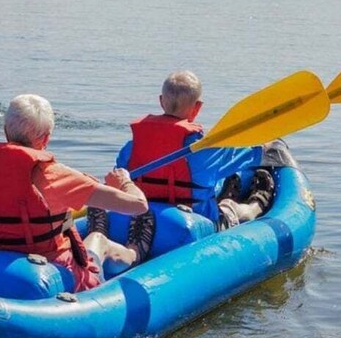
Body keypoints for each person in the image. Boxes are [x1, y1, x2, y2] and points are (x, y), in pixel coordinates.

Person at [0, 94, 150, 292]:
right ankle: (133, 254)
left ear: (6, 131)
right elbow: (139, 206)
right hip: (55, 267)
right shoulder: (57, 176)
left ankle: (105, 228)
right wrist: (124, 181)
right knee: (98, 239)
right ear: (45, 139)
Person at [88, 70, 274, 239]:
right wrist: (270, 139)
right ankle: (252, 206)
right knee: (228, 206)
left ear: (161, 101)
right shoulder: (207, 151)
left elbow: (118, 182)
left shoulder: (130, 147)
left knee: (212, 181)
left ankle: (227, 190)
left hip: (141, 218)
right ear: (197, 107)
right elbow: (255, 152)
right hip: (198, 219)